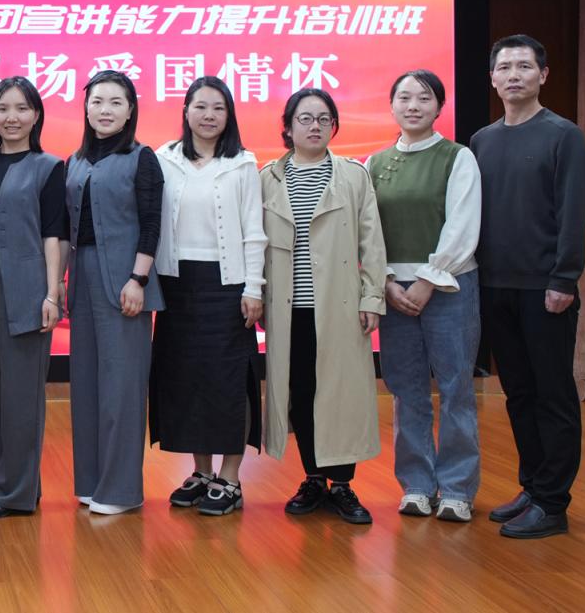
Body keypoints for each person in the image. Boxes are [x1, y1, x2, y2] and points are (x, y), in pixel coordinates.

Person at [470, 35, 585, 539]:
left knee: (552, 394)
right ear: (492, 79)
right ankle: (533, 486)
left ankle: (553, 503)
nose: (514, 75)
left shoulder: (564, 135)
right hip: (494, 286)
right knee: (518, 393)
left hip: (546, 289)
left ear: (543, 75)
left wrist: (564, 278)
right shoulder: (481, 140)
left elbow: (573, 212)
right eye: (505, 67)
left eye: (524, 66)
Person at [259, 88, 386, 525]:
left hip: (340, 304)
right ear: (288, 126)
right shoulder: (268, 178)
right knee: (301, 391)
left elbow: (372, 240)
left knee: (340, 393)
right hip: (287, 308)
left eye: (324, 119)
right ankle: (313, 477)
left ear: (334, 126)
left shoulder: (353, 175)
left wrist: (372, 296)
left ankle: (342, 484)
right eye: (305, 118)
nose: (315, 126)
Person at [368, 70, 482, 523]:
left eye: (424, 97)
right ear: (392, 105)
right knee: (406, 390)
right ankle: (416, 484)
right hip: (394, 292)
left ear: (439, 106)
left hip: (449, 288)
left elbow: (462, 225)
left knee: (455, 389)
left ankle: (456, 488)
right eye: (404, 97)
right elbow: (367, 231)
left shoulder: (458, 157)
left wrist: (429, 279)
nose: (413, 105)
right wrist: (385, 282)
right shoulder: (374, 163)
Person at [151, 75, 265, 516]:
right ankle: (201, 472)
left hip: (228, 285)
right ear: (186, 111)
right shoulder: (164, 158)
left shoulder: (242, 164)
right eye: (200, 106)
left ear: (229, 114)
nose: (209, 115)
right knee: (186, 379)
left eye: (218, 108)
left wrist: (253, 287)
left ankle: (230, 477)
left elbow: (254, 231)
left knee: (227, 381)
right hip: (177, 285)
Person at [0, 77, 66, 520]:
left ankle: (13, 493)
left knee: (22, 393)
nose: (12, 117)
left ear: (36, 115)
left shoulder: (49, 167)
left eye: (22, 108)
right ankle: (16, 484)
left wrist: (52, 291)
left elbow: (54, 234)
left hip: (27, 282)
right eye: (3, 108)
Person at [65, 71, 162, 516]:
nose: (105, 110)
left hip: (125, 280)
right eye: (97, 101)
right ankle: (90, 482)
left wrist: (138, 279)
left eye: (116, 102)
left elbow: (152, 222)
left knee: (122, 388)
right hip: (82, 280)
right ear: (86, 109)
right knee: (86, 385)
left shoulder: (142, 158)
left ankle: (122, 490)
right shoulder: (75, 161)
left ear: (130, 110)